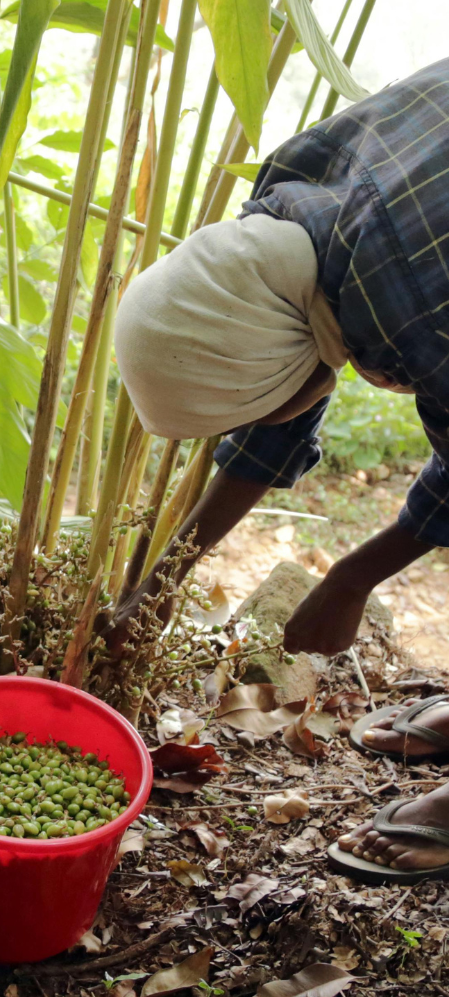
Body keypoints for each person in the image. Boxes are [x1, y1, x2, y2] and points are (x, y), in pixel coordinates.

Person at [109, 58, 449, 885]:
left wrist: (351, 579)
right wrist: (160, 581)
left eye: (247, 405)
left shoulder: (414, 307)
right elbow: (287, 393)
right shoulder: (293, 207)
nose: (260, 418)